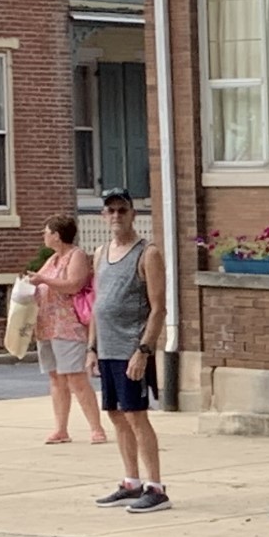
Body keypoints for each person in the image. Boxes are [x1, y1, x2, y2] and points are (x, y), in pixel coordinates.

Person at [89, 188, 171, 514]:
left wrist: (144, 350)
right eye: (110, 211)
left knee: (136, 415)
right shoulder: (99, 253)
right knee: (116, 414)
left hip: (131, 348)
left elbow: (159, 308)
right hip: (107, 348)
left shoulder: (147, 254)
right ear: (103, 216)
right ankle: (131, 481)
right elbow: (98, 304)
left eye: (122, 210)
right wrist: (91, 347)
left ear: (133, 214)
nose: (116, 217)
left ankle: (156, 487)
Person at [29, 213, 106, 445]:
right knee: (56, 378)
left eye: (46, 232)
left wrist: (44, 281)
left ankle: (96, 428)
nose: (44, 236)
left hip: (68, 326)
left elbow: (74, 284)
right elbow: (41, 281)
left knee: (76, 378)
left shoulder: (76, 255)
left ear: (57, 235)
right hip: (47, 327)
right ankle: (61, 429)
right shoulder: (52, 259)